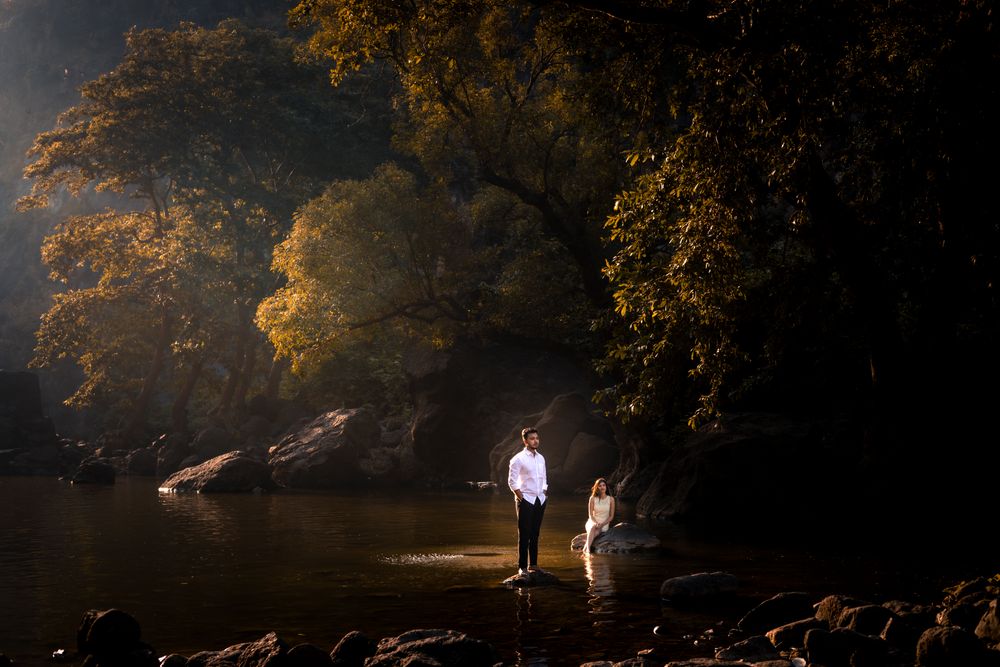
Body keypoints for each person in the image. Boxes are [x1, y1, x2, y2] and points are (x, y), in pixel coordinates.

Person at [508, 426, 547, 575]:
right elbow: (512, 483)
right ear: (525, 441)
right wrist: (522, 499)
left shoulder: (541, 458)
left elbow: (544, 478)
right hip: (526, 499)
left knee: (535, 533)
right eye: (532, 438)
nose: (535, 441)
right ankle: (522, 567)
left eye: (537, 438)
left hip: (540, 499)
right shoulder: (518, 459)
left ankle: (534, 565)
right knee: (524, 534)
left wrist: (544, 493)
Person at [582, 477, 615, 553]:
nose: (602, 487)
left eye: (604, 485)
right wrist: (595, 522)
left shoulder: (611, 499)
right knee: (593, 526)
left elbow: (611, 516)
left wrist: (602, 524)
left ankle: (585, 548)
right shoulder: (592, 498)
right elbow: (590, 514)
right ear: (597, 487)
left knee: (598, 529)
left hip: (604, 523)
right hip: (593, 521)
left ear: (606, 487)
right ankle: (588, 549)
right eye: (600, 486)